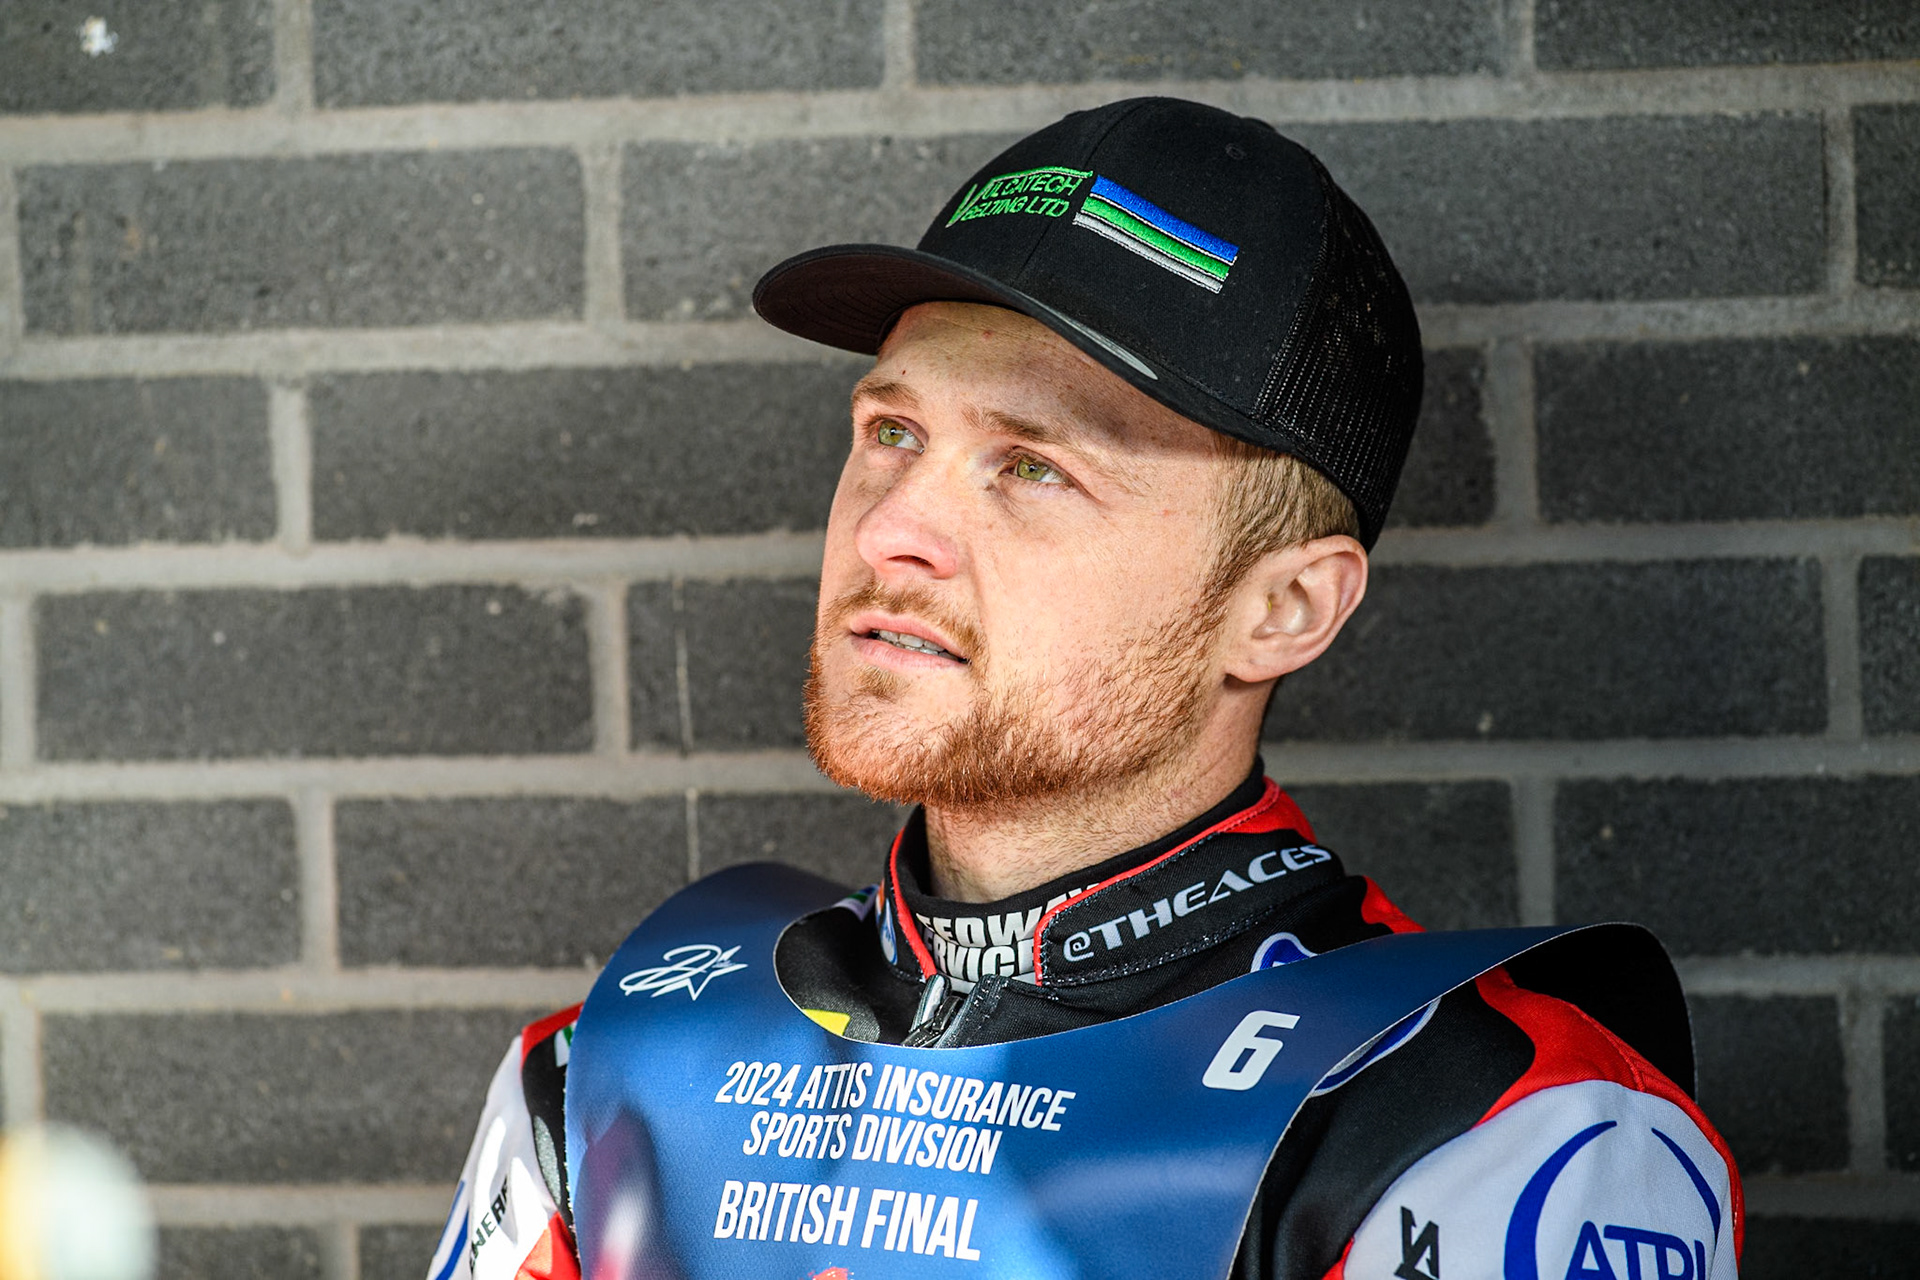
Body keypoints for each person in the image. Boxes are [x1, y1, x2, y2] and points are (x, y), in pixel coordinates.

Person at [429, 97, 1742, 1280]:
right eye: (893, 433)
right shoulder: (611, 1068)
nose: (893, 530)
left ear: (1281, 609)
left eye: (1034, 468)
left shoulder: (1487, 1119)